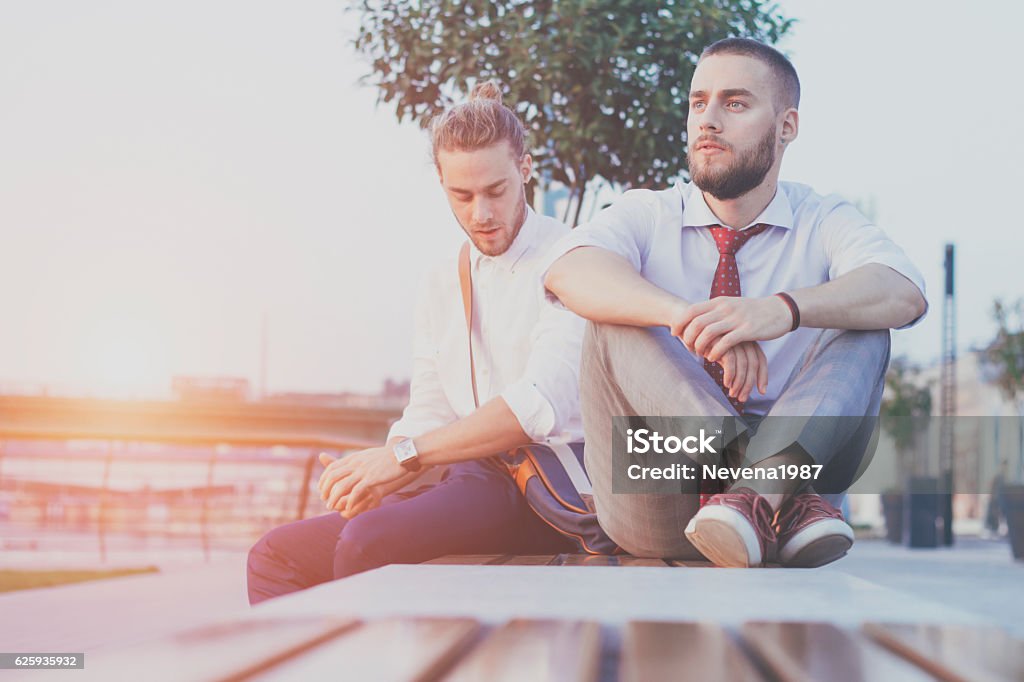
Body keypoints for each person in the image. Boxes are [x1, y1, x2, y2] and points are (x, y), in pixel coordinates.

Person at [543, 38, 927, 569]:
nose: (708, 120)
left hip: (799, 476)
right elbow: (569, 270)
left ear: (787, 127)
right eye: (698, 103)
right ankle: (766, 494)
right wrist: (687, 319)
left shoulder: (823, 218)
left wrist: (780, 309)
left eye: (735, 103)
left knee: (865, 323)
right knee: (616, 314)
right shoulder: (651, 212)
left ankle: (756, 498)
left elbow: (902, 291)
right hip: (661, 502)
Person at [247, 82, 585, 604]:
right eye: (462, 196)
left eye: (496, 191)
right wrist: (378, 476)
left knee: (366, 543)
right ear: (441, 182)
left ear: (526, 168)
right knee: (274, 556)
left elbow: (534, 406)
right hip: (467, 482)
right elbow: (429, 405)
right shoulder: (441, 280)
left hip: (545, 490)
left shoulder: (572, 260)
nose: (481, 215)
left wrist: (403, 458)